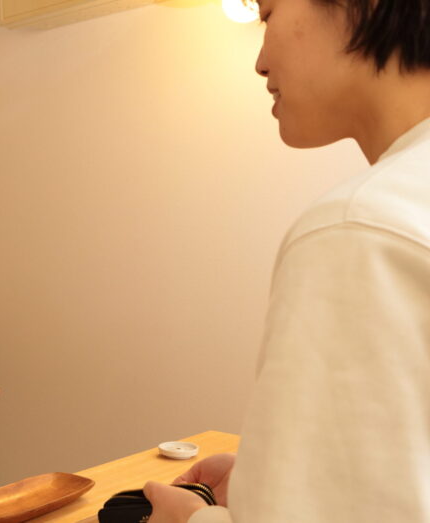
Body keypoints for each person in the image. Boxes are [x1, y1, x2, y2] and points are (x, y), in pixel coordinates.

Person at [143, 0, 430, 521]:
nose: (259, 63)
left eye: (267, 14)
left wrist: (192, 518)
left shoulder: (357, 230)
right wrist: (274, 478)